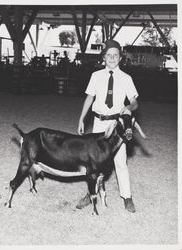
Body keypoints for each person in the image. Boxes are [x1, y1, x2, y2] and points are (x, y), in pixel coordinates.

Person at [76, 40, 139, 213]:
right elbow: (89, 98)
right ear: (104, 57)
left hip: (116, 125)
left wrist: (128, 107)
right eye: (109, 55)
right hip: (98, 123)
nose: (112, 58)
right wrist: (82, 119)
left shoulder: (126, 78)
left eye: (115, 55)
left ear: (120, 58)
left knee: (120, 161)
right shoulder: (96, 76)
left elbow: (134, 102)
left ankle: (127, 197)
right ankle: (91, 193)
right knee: (94, 163)